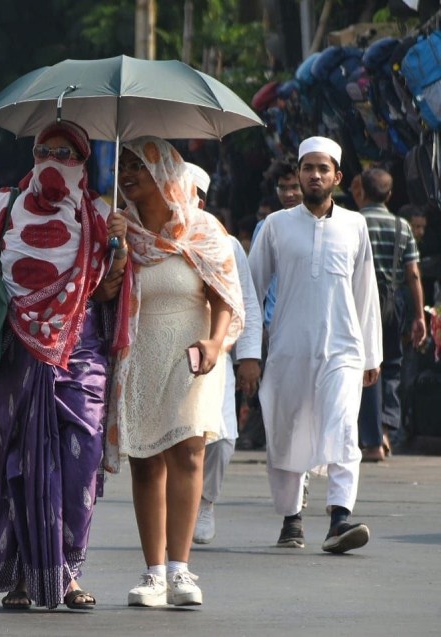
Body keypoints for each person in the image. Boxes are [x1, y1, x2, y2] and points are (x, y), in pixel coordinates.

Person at [0, 120, 127, 610]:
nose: (53, 160)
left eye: (65, 153)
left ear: (82, 161)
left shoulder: (100, 213)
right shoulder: (6, 204)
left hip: (80, 355)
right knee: (19, 468)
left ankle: (68, 574)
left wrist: (120, 245)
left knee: (79, 463)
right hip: (16, 353)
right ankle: (25, 577)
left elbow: (107, 292)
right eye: (44, 150)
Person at [103, 138, 244, 607]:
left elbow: (224, 297)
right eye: (123, 166)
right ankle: (154, 574)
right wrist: (117, 249)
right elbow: (103, 294)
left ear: (164, 171)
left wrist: (215, 342)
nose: (126, 174)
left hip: (192, 353)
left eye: (138, 166)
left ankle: (181, 570)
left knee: (188, 453)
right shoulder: (118, 228)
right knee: (145, 460)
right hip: (139, 352)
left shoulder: (202, 229)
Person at [247, 136, 382, 554]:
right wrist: (248, 353)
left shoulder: (355, 225)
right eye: (309, 168)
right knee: (287, 431)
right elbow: (250, 290)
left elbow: (365, 291)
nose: (315, 175)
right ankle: (292, 517)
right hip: (288, 348)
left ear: (337, 177)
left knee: (343, 427)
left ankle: (339, 518)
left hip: (343, 347)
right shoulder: (276, 226)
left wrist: (371, 353)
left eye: (324, 169)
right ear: (300, 174)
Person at [182, 163, 262, 546]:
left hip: (216, 354)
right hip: (168, 350)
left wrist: (249, 357)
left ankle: (205, 502)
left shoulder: (225, 244)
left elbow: (246, 302)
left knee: (222, 437)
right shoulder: (155, 241)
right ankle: (173, 510)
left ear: (199, 200)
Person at [351, 168, 426, 460]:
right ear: (390, 194)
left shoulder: (353, 222)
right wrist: (419, 315)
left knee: (362, 365)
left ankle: (368, 439)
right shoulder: (401, 226)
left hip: (357, 303)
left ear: (362, 191)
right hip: (393, 304)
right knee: (391, 365)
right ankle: (384, 430)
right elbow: (413, 274)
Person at [237, 156, 305, 453]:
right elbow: (254, 283)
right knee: (270, 386)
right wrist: (255, 329)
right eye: (283, 187)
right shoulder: (266, 227)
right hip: (272, 322)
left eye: (294, 187)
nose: (289, 193)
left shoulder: (325, 224)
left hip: (309, 323)